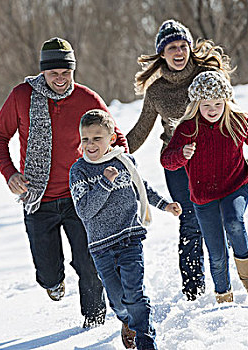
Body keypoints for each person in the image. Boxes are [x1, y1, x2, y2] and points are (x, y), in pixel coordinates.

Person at [0, 37, 129, 327]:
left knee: (88, 265)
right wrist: (10, 173)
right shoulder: (21, 97)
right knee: (48, 272)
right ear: (43, 72)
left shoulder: (87, 99)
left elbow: (116, 136)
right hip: (38, 197)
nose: (61, 80)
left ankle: (94, 322)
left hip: (82, 197)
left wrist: (119, 163)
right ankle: (52, 282)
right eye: (54, 74)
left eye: (66, 73)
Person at [161, 71, 248, 303]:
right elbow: (167, 160)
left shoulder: (237, 122)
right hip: (203, 196)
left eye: (218, 103)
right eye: (206, 104)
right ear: (196, 104)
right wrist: (181, 155)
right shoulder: (188, 128)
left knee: (234, 222)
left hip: (235, 187)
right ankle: (223, 295)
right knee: (216, 253)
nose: (213, 109)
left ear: (226, 101)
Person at [125, 19, 234, 301]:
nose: (178, 52)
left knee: (217, 217)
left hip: (211, 158)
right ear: (162, 53)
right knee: (189, 220)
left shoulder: (207, 75)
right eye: (172, 47)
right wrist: (114, 150)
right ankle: (193, 290)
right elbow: (140, 131)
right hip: (176, 161)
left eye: (183, 46)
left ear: (189, 48)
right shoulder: (156, 91)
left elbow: (229, 110)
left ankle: (224, 279)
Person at [70, 109, 182, 349]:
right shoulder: (78, 171)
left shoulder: (124, 161)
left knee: (134, 295)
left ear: (111, 139)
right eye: (85, 139)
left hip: (130, 238)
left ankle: (145, 340)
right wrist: (104, 183)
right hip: (101, 247)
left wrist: (164, 204)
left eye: (97, 138)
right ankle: (127, 321)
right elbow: (84, 211)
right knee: (119, 301)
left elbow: (141, 188)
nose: (90, 144)